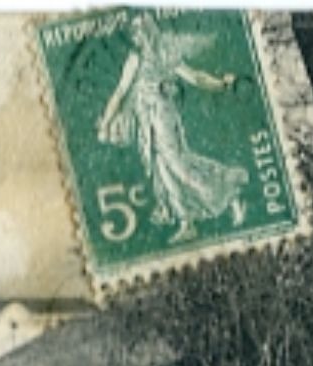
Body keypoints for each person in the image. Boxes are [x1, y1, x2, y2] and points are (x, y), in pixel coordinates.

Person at [96, 13, 249, 246]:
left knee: (178, 165)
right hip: (145, 123)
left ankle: (230, 196)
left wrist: (221, 84)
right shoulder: (134, 58)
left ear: (150, 30)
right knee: (162, 172)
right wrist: (107, 121)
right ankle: (186, 223)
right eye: (133, 33)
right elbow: (120, 92)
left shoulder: (165, 53)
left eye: (140, 30)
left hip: (163, 117)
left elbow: (195, 77)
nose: (137, 36)